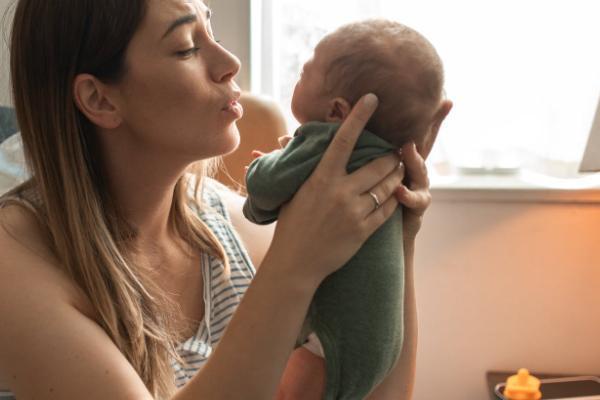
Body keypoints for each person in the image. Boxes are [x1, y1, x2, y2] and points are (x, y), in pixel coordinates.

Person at [0, 1, 432, 399]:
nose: (230, 64)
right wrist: (295, 265)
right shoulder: (16, 259)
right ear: (99, 98)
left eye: (213, 31)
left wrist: (395, 228)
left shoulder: (230, 222)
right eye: (187, 48)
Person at [244, 19, 452, 399]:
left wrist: (265, 167)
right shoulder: (388, 158)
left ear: (338, 112)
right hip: (383, 339)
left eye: (305, 71)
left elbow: (262, 193)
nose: (299, 73)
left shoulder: (324, 142)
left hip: (329, 338)